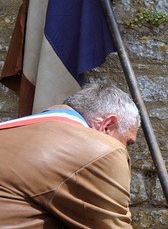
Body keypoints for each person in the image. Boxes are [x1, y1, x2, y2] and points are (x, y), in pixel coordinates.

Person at [0, 82, 140, 228]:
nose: (125, 150)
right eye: (128, 142)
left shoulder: (11, 130)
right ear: (107, 125)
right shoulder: (104, 151)